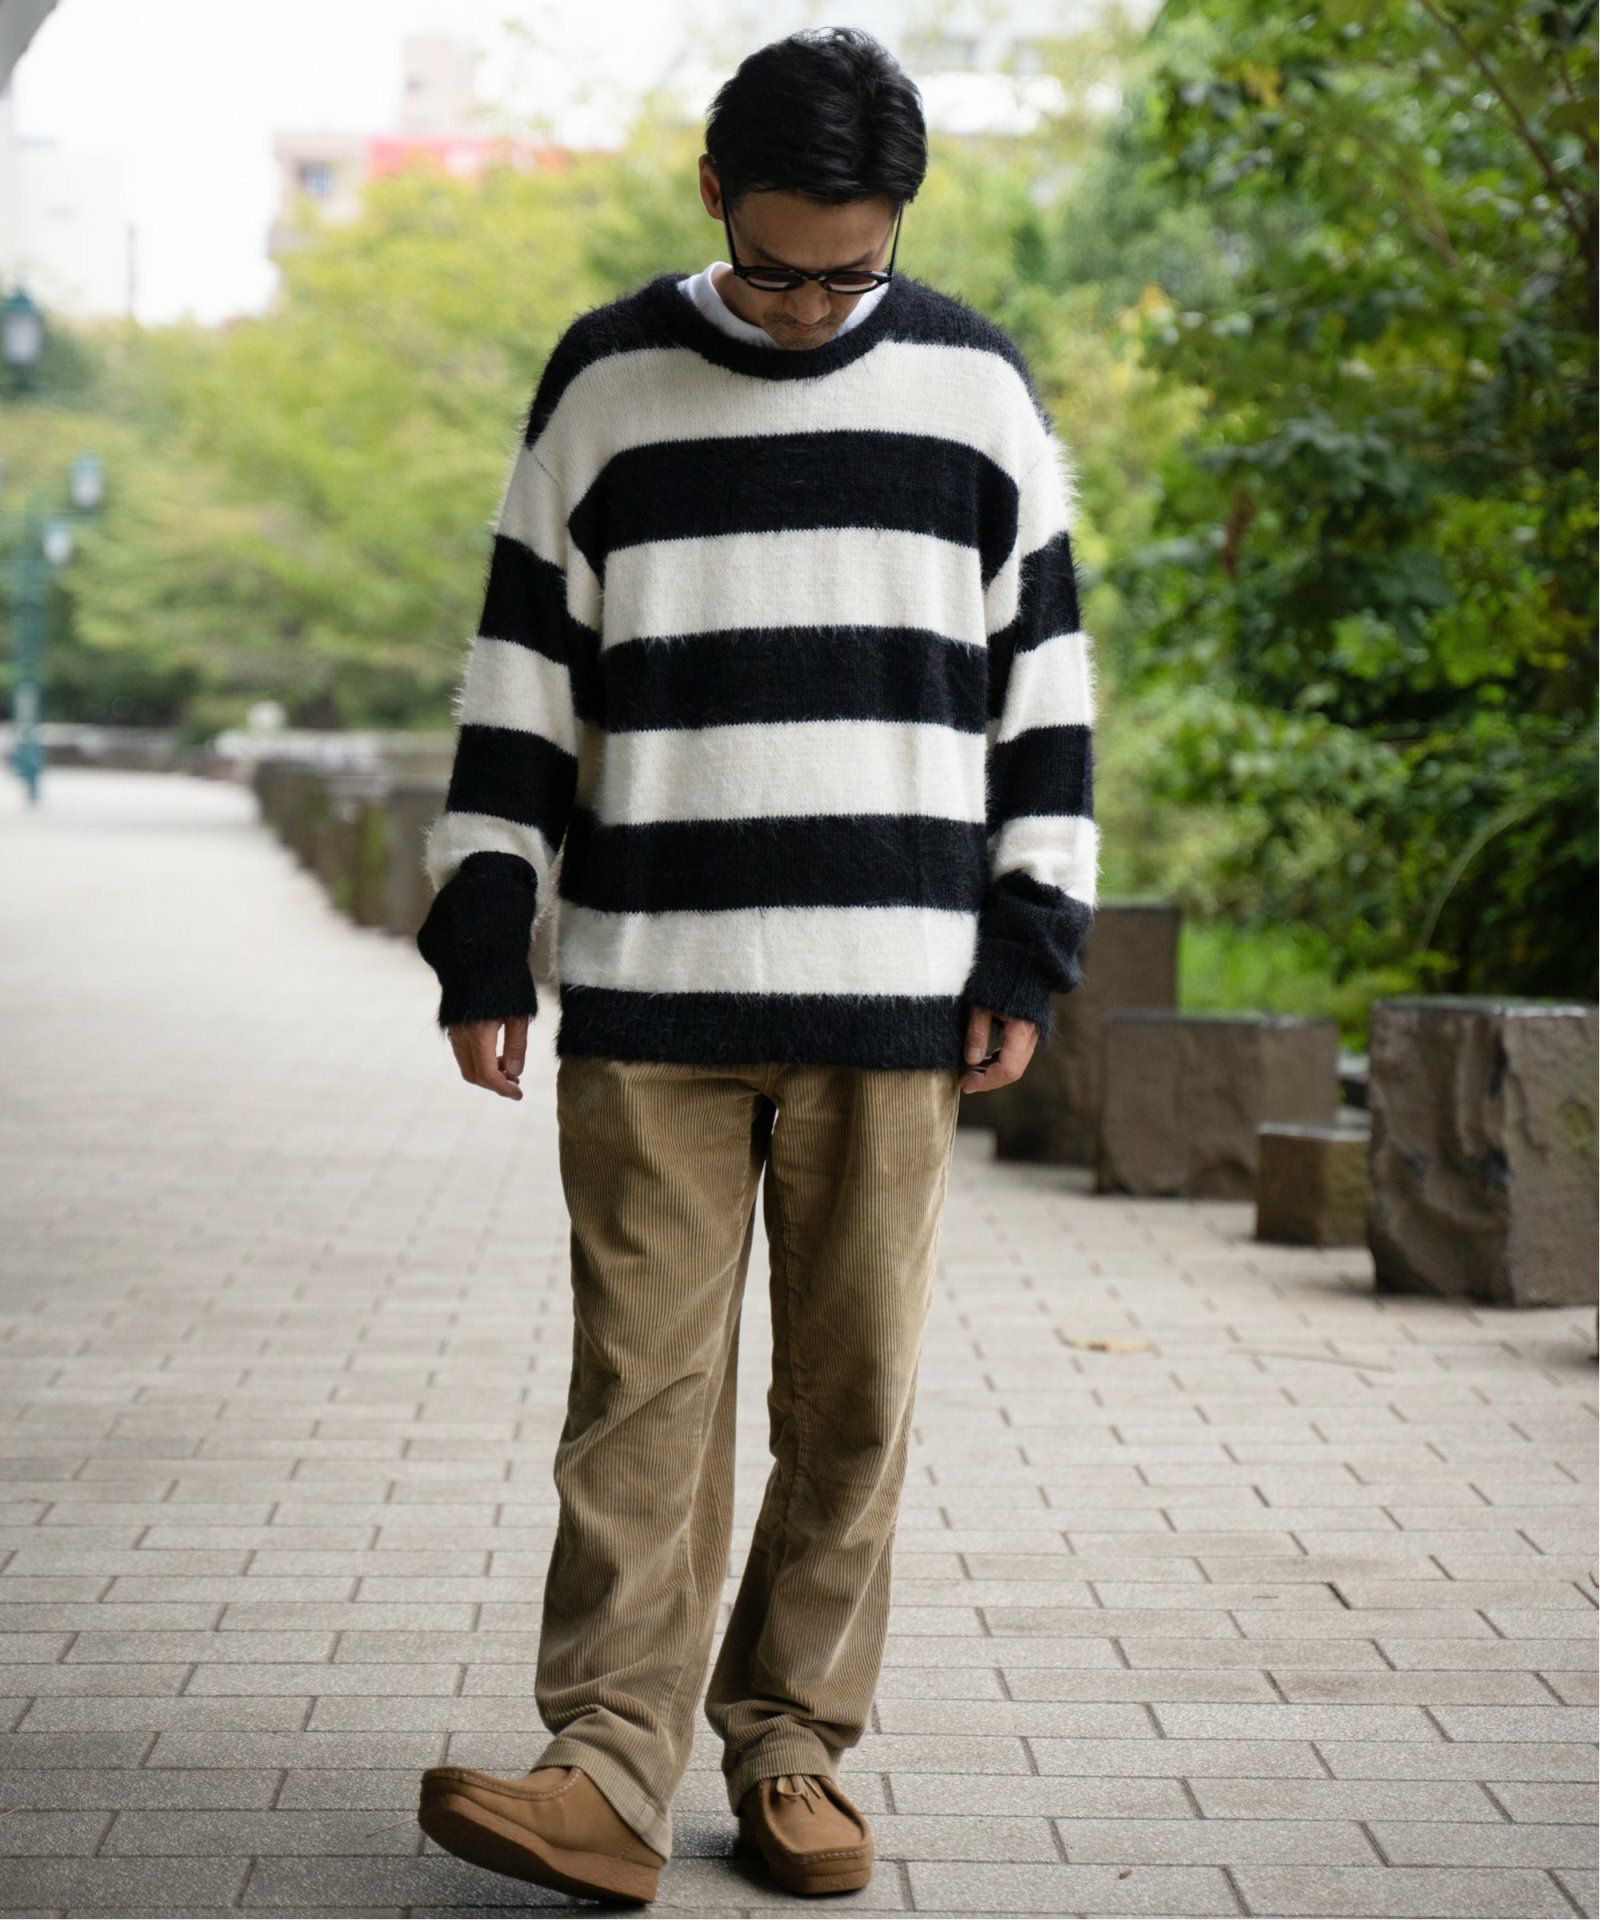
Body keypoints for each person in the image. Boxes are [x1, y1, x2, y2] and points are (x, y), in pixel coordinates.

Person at [411, 25, 1098, 1906]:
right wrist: (485, 928)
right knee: (638, 1394)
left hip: (896, 990)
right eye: (780, 266)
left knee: (853, 1397)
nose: (809, 307)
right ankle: (603, 1769)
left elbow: (1043, 691)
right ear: (715, 194)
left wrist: (1031, 938)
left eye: (850, 275)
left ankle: (793, 1745)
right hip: (652, 987)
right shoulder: (606, 380)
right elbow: (522, 668)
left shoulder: (973, 389)